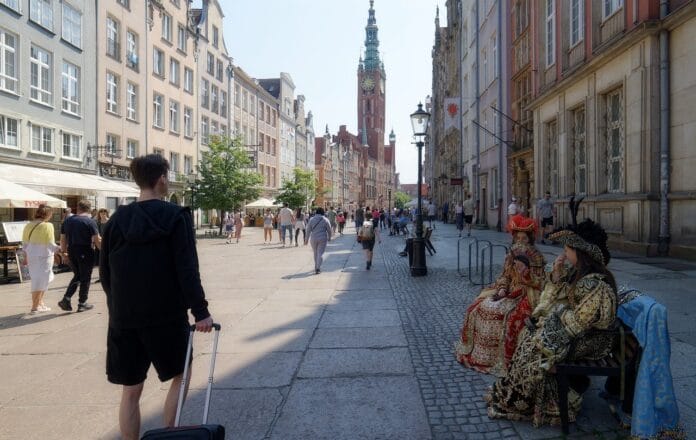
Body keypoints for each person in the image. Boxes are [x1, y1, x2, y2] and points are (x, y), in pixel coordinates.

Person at [100, 154, 213, 440]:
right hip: (165, 314)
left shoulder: (116, 220)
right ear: (162, 178)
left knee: (131, 390)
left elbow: (105, 271)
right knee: (181, 375)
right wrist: (200, 312)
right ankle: (170, 435)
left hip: (125, 317)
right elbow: (187, 268)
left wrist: (117, 307)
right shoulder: (176, 216)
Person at [485, 219, 617, 428]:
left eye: (567, 250)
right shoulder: (577, 274)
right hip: (575, 333)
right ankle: (516, 395)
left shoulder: (595, 284)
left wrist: (547, 333)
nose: (564, 254)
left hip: (590, 340)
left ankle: (537, 401)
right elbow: (557, 300)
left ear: (580, 252)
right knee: (528, 338)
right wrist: (556, 275)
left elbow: (579, 321)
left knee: (534, 348)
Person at [455, 215, 545, 376]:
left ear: (530, 239)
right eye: (518, 238)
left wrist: (525, 274)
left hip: (526, 293)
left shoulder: (536, 258)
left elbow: (539, 282)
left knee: (505, 316)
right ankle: (479, 353)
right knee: (478, 306)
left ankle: (500, 359)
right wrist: (503, 288)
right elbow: (505, 276)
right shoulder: (511, 255)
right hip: (508, 291)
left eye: (524, 238)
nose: (521, 241)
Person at [58, 200, 100, 313]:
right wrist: (105, 252)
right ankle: (82, 303)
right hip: (85, 251)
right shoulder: (90, 221)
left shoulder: (67, 221)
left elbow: (62, 239)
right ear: (89, 209)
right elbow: (97, 240)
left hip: (71, 250)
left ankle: (66, 299)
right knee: (85, 277)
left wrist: (63, 253)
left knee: (78, 275)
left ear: (77, 208)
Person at [22, 204, 60, 314]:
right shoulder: (48, 226)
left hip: (32, 256)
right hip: (44, 257)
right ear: (47, 214)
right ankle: (35, 307)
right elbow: (51, 244)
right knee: (42, 280)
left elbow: (24, 244)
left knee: (37, 279)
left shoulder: (28, 225)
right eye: (51, 214)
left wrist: (25, 257)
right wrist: (61, 250)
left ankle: (39, 303)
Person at [305, 207, 332, 274]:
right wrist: (329, 237)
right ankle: (318, 268)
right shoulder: (325, 219)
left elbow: (308, 230)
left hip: (313, 238)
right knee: (320, 253)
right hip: (322, 238)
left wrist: (306, 239)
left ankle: (316, 266)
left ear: (316, 212)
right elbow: (329, 229)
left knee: (315, 253)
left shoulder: (311, 219)